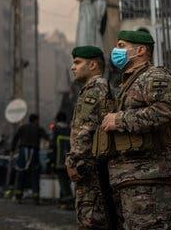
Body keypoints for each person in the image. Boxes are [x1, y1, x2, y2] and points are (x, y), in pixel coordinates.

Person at [101, 30, 171, 229]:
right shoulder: (128, 82)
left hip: (152, 178)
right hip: (133, 179)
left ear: (140, 50)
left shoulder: (153, 76)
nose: (115, 51)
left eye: (121, 46)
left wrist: (119, 120)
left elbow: (168, 110)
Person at [66, 46, 116, 229]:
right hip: (102, 167)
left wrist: (74, 160)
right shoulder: (108, 87)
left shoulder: (93, 90)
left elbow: (84, 129)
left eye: (77, 62)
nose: (73, 67)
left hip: (89, 168)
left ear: (93, 65)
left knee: (90, 221)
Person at [10, 113, 48, 203]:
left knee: (21, 173)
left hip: (23, 151)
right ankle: (36, 197)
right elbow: (47, 137)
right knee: (35, 174)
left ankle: (18, 196)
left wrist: (12, 149)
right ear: (36, 120)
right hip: (34, 151)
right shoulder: (39, 129)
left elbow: (15, 138)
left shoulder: (23, 127)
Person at [49, 111, 72, 209]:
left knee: (63, 182)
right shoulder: (69, 130)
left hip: (58, 161)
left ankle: (68, 201)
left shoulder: (55, 129)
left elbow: (52, 146)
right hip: (69, 161)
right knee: (66, 181)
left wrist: (50, 161)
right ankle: (62, 202)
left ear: (57, 119)